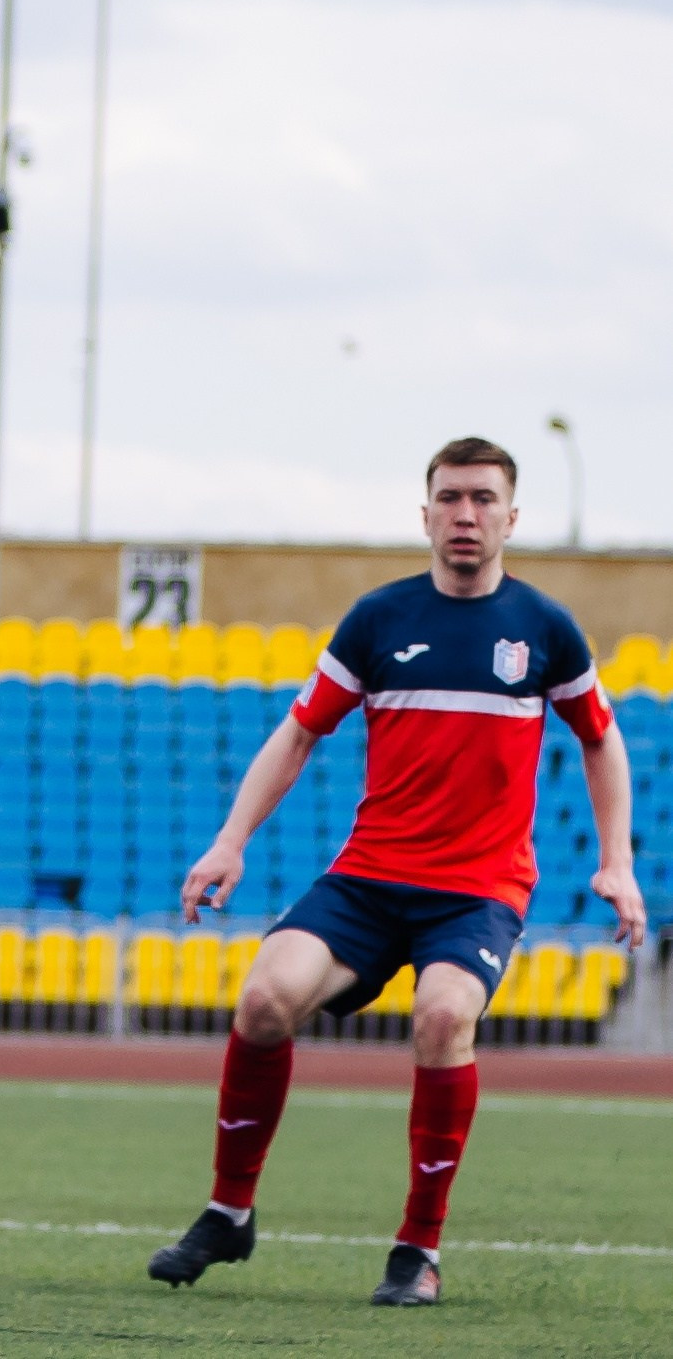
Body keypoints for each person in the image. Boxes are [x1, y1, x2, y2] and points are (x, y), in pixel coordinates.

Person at [148, 437, 647, 1306]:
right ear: (425, 514)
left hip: (478, 889)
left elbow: (601, 739)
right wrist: (230, 840)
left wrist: (619, 862)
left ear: (511, 517)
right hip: (371, 878)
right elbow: (299, 731)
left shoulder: (545, 629)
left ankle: (417, 1249)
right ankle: (229, 1211)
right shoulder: (379, 620)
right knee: (265, 997)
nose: (466, 514)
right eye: (451, 497)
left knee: (443, 1016)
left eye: (484, 499)